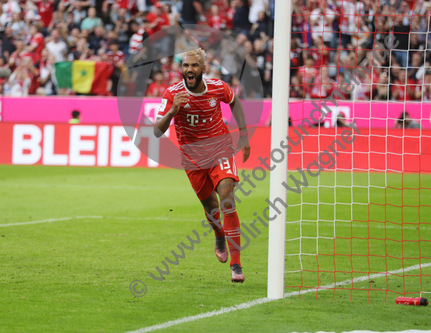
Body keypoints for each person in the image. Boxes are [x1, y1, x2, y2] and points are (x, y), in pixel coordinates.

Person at [153, 49, 250, 283]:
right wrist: (173, 111)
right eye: (186, 65)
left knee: (226, 195)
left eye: (195, 65)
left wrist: (244, 135)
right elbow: (157, 130)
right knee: (210, 205)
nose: (189, 69)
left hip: (220, 149)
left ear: (203, 69)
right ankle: (219, 234)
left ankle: (236, 264)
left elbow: (234, 102)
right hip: (193, 157)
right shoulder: (172, 94)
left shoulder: (218, 87)